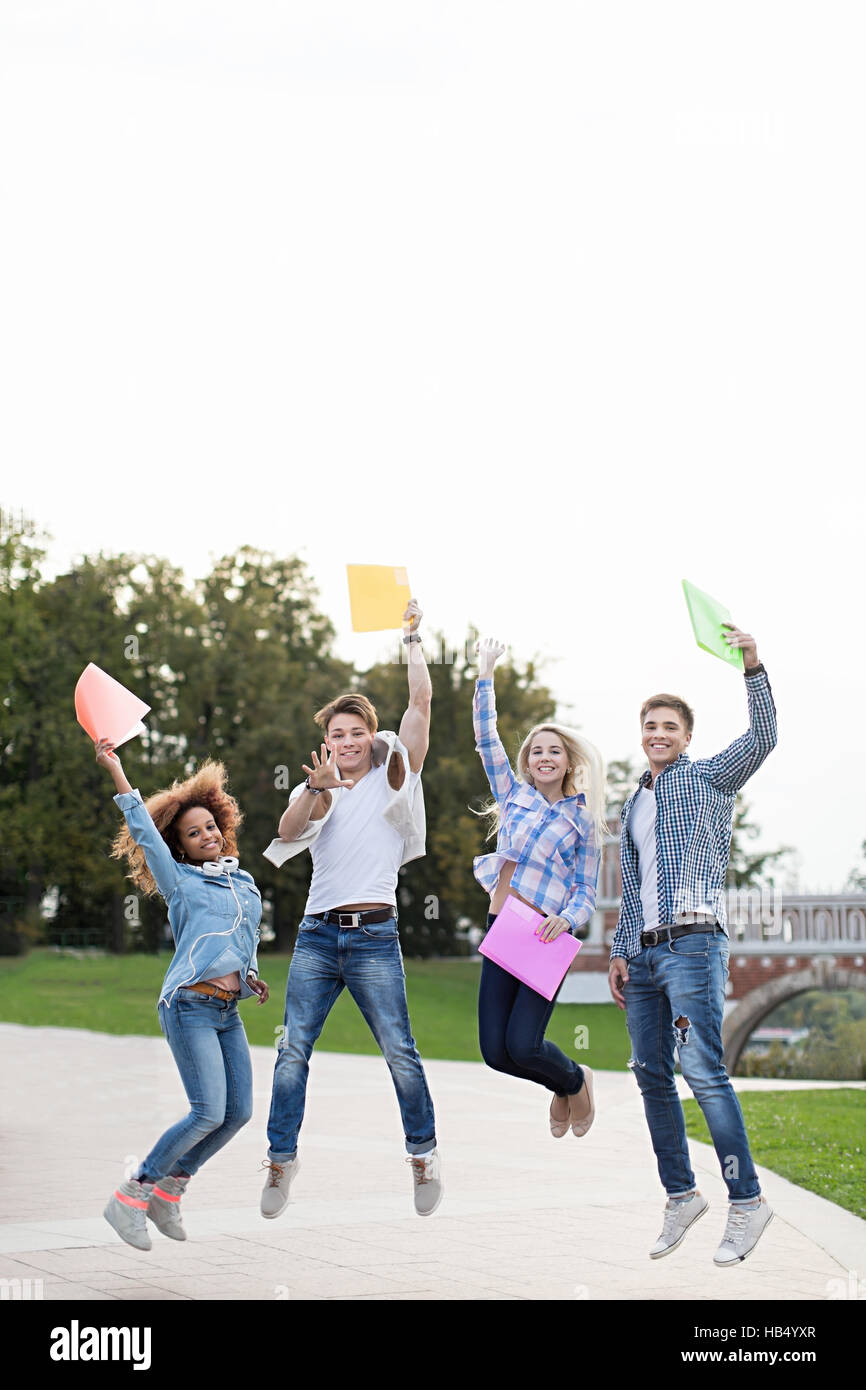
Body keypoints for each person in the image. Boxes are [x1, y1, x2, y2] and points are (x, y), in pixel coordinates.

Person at [261, 599, 441, 1217]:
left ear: (372, 737)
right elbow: (286, 833)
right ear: (327, 743)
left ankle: (423, 1154)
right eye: (337, 735)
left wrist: (412, 639)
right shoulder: (318, 786)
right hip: (316, 937)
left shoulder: (397, 776)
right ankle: (280, 1160)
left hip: (374, 937)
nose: (347, 743)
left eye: (356, 733)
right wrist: (314, 789)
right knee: (292, 1050)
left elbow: (419, 705)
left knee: (399, 1050)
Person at [607, 622, 777, 1266]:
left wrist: (753, 663)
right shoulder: (635, 803)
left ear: (686, 737)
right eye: (649, 726)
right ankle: (681, 1195)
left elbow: (764, 737)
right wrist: (623, 949)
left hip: (694, 946)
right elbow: (635, 882)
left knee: (702, 1069)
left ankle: (747, 1200)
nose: (657, 735)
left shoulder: (708, 778)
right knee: (650, 1073)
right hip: (647, 952)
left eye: (668, 727)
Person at [96, 740, 268, 1251]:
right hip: (189, 1006)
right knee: (206, 1111)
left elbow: (244, 938)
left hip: (226, 1012)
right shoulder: (182, 884)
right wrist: (118, 772)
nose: (206, 836)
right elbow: (146, 835)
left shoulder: (246, 884)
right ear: (183, 848)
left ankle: (170, 1191)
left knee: (237, 1112)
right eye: (194, 834)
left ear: (222, 827)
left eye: (210, 827)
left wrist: (251, 973)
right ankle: (131, 1195)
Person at [473, 637, 605, 1139]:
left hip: (545, 934)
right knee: (494, 1053)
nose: (544, 757)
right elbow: (487, 739)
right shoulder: (513, 797)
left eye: (554, 751)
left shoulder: (583, 820)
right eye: (536, 751)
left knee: (525, 1045)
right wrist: (485, 673)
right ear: (527, 762)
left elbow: (585, 890)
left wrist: (567, 919)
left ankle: (572, 1079)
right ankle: (570, 1082)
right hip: (504, 925)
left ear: (567, 761)